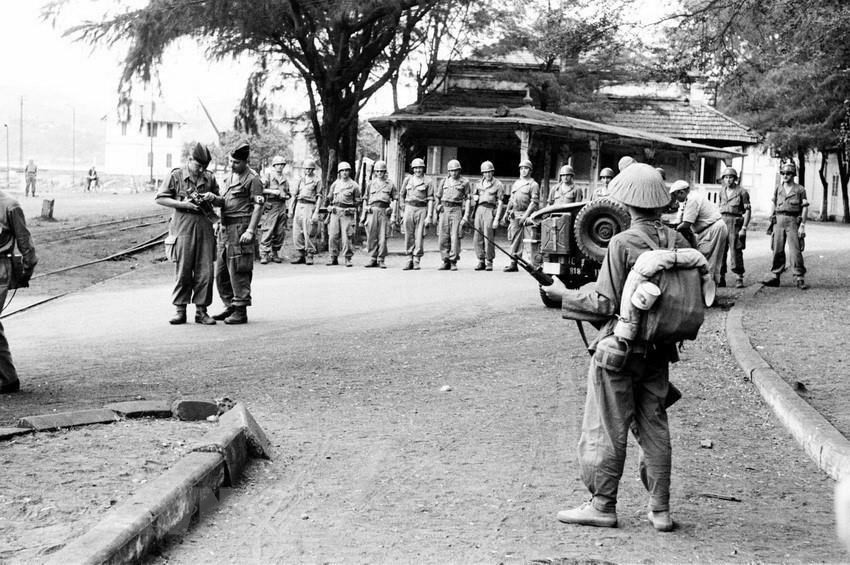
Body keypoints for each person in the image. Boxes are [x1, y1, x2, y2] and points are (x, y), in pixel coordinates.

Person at [542, 163, 687, 532]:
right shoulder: (679, 242)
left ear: (626, 201)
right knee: (654, 427)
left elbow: (604, 304)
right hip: (659, 352)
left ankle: (602, 505)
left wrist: (564, 297)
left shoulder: (622, 242)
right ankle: (661, 510)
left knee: (606, 426)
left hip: (619, 353)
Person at [155, 143, 220, 325]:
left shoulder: (209, 178)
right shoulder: (176, 175)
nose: (201, 170)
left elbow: (221, 200)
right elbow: (160, 198)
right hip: (183, 226)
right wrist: (183, 204)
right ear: (189, 160)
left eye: (204, 167)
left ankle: (201, 311)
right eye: (198, 166)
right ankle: (180, 309)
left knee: (205, 272)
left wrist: (212, 198)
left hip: (205, 227)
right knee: (183, 270)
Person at [207, 142, 264, 325]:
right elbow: (225, 201)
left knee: (239, 269)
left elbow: (258, 206)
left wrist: (250, 230)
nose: (232, 165)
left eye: (236, 162)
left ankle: (241, 309)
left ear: (245, 162)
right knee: (221, 273)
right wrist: (213, 199)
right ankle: (230, 305)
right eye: (230, 161)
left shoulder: (253, 179)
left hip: (240, 229)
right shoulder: (229, 177)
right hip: (225, 230)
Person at [0, 188, 37, 393]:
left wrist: (26, 271)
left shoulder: (10, 205)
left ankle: (8, 379)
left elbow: (25, 243)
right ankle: (8, 378)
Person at [669, 179, 728, 286]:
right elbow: (679, 219)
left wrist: (673, 230)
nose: (675, 199)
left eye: (675, 195)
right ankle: (709, 292)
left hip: (713, 228)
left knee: (707, 261)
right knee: (710, 261)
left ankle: (708, 294)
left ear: (681, 192)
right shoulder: (686, 199)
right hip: (709, 229)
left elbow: (686, 224)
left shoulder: (692, 199)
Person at [763, 162, 808, 289]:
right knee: (777, 249)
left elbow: (804, 208)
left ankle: (799, 277)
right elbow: (774, 203)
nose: (785, 175)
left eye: (788, 173)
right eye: (783, 173)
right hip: (778, 220)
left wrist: (802, 225)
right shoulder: (778, 188)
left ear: (793, 175)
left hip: (793, 220)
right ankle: (775, 276)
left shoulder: (800, 189)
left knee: (795, 250)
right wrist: (771, 218)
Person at [502, 159, 540, 272]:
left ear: (530, 170)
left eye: (526, 168)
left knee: (530, 241)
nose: (523, 171)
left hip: (528, 216)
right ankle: (513, 262)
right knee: (514, 239)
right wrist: (506, 213)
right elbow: (511, 200)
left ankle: (534, 264)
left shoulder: (533, 184)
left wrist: (526, 216)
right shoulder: (516, 183)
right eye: (521, 168)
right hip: (515, 214)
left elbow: (534, 203)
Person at [399, 158, 435, 270]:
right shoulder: (407, 180)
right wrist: (402, 211)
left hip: (421, 209)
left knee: (419, 235)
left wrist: (429, 215)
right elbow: (401, 195)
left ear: (423, 168)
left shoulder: (428, 181)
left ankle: (416, 259)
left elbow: (430, 199)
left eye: (420, 168)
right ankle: (409, 258)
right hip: (409, 208)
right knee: (408, 234)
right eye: (415, 168)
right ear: (413, 169)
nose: (418, 170)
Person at [435, 159, 471, 270]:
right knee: (443, 236)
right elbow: (438, 196)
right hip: (444, 209)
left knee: (455, 236)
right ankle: (445, 260)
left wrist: (466, 216)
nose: (454, 173)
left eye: (456, 170)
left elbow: (468, 199)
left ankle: (453, 260)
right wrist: (437, 206)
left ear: (459, 170)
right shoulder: (444, 181)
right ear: (448, 171)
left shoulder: (464, 182)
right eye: (451, 171)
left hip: (456, 209)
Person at [717, 167, 751, 288]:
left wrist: (744, 228)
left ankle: (739, 277)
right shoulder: (722, 191)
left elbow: (747, 211)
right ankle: (721, 277)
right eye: (726, 177)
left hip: (735, 223)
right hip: (722, 222)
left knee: (736, 250)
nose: (728, 180)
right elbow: (718, 208)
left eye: (731, 177)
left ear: (735, 179)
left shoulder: (742, 192)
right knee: (721, 250)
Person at [360, 160, 397, 269]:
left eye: (382, 171)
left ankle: (381, 259)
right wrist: (364, 212)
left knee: (383, 236)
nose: (380, 173)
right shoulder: (370, 184)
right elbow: (365, 199)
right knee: (371, 235)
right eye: (377, 171)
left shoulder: (390, 184)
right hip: (372, 211)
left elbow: (395, 199)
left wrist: (393, 213)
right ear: (375, 172)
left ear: (385, 171)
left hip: (384, 211)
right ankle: (372, 257)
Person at [471, 160, 505, 271]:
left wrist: (496, 219)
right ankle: (481, 260)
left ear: (493, 172)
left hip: (490, 210)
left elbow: (500, 202)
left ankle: (489, 260)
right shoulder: (478, 183)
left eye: (489, 172)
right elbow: (474, 196)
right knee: (477, 236)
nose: (487, 174)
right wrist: (474, 198)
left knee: (488, 236)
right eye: (485, 172)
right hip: (479, 210)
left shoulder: (498, 184)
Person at [326, 161, 361, 267]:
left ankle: (347, 258)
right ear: (339, 172)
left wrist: (351, 208)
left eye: (346, 170)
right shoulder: (335, 184)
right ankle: (333, 257)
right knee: (333, 235)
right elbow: (329, 198)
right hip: (335, 212)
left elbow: (358, 200)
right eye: (342, 171)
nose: (344, 173)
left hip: (347, 213)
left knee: (347, 236)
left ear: (349, 172)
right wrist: (330, 206)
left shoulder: (354, 185)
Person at [289, 158, 323, 265]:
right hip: (299, 205)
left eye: (310, 169)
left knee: (309, 230)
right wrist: (291, 208)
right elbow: (294, 196)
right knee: (297, 231)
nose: (308, 171)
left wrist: (316, 211)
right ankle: (300, 254)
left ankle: (309, 254)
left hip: (310, 205)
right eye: (306, 169)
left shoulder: (317, 180)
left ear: (313, 169)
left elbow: (319, 197)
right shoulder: (300, 180)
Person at [259, 155, 291, 264]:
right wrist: (272, 192)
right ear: (274, 165)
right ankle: (264, 253)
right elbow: (260, 189)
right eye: (278, 165)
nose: (280, 167)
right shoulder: (268, 176)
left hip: (282, 205)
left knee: (280, 231)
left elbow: (289, 192)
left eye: (282, 165)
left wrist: (286, 196)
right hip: (271, 205)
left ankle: (275, 252)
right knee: (268, 229)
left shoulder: (285, 178)